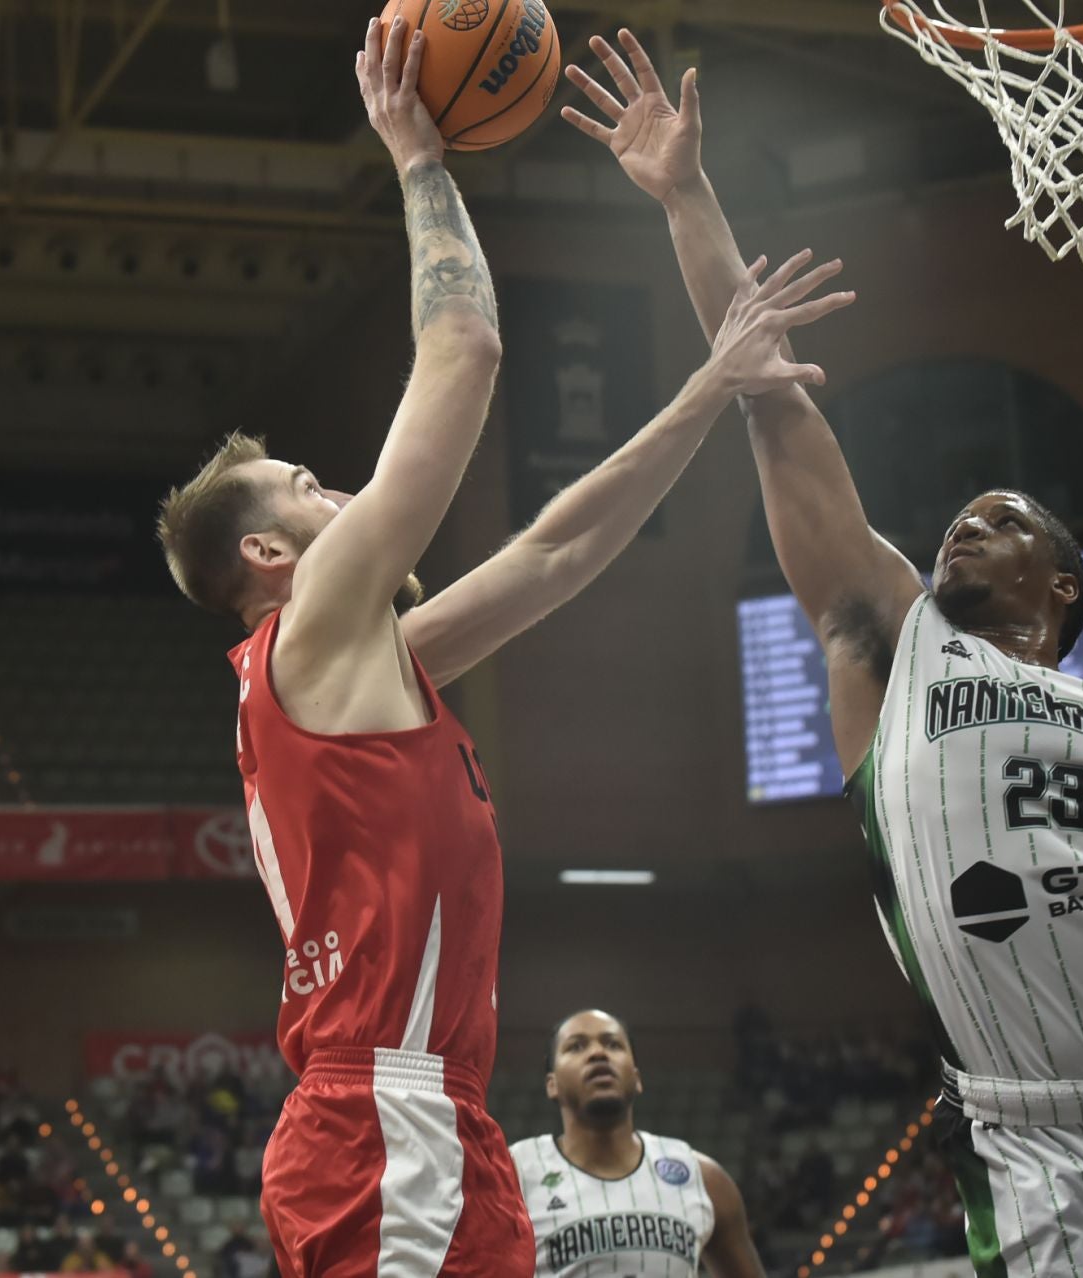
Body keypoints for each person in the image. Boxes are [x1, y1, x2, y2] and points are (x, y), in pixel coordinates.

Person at [560, 28, 1083, 1277]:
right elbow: (774, 396)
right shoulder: (899, 645)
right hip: (1029, 1137)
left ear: (1059, 583)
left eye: (1000, 519)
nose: (962, 522)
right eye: (960, 514)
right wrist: (685, 195)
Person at [156, 16, 851, 1278]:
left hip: (435, 1119)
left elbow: (554, 555)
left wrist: (714, 381)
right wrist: (421, 156)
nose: (338, 492)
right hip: (386, 1116)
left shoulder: (362, 665)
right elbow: (465, 349)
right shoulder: (312, 628)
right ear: (268, 559)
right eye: (308, 486)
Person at [510, 1011, 763, 1278]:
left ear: (637, 1077)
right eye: (577, 1046)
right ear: (552, 1084)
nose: (598, 1053)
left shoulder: (704, 1179)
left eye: (613, 1044)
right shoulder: (513, 1174)